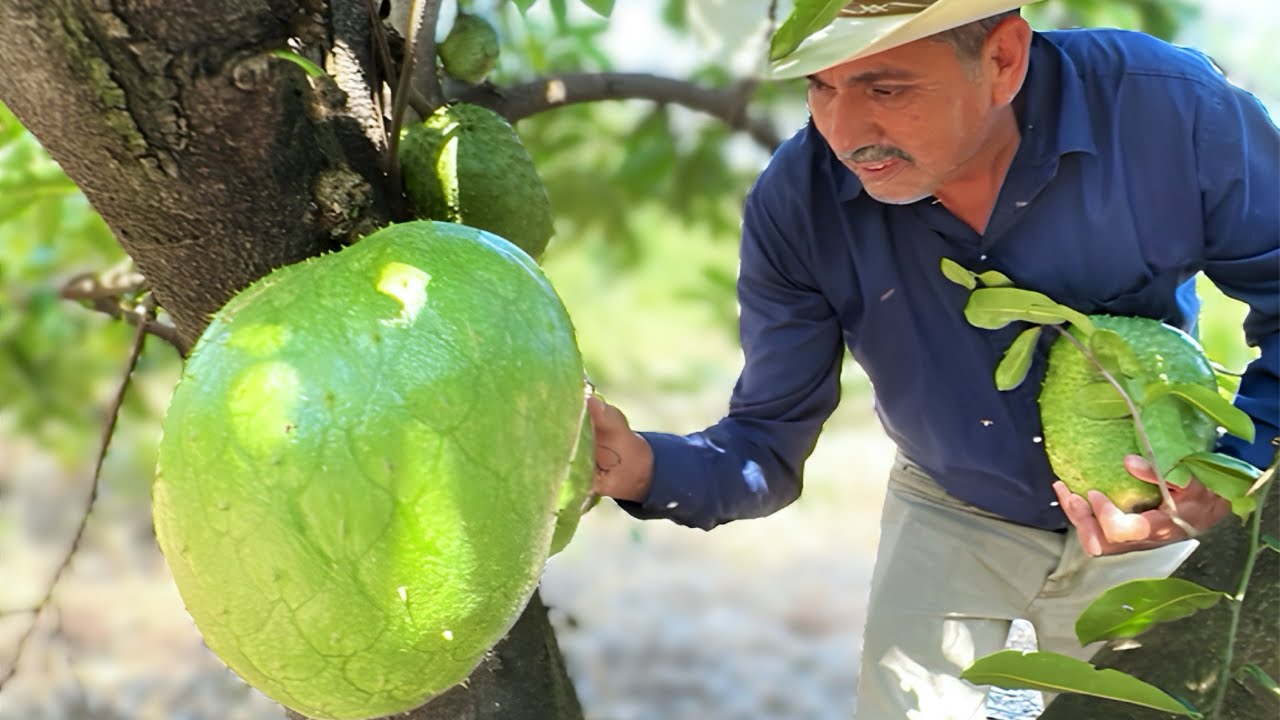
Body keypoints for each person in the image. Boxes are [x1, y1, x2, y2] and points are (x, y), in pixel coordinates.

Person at [586, 1, 1280, 718]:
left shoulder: (1170, 113)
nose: (846, 133)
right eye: (821, 87)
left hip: (1151, 510)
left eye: (886, 90)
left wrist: (1234, 473)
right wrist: (644, 467)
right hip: (949, 503)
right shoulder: (799, 202)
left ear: (1003, 59)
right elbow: (764, 444)